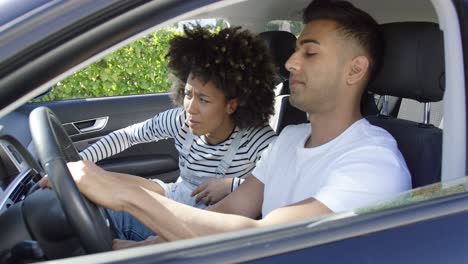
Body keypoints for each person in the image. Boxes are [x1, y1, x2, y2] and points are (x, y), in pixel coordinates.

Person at [65, 0, 412, 249]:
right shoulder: (289, 138)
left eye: (309, 52)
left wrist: (128, 196)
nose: (290, 62)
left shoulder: (372, 162)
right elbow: (229, 212)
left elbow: (260, 240)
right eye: (294, 50)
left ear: (354, 69)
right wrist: (153, 245)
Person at [67, 25, 277, 240]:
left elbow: (280, 185)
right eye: (188, 94)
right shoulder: (181, 121)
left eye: (203, 100)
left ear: (231, 105)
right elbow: (128, 136)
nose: (190, 108)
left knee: (106, 220)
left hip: (209, 222)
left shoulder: (257, 140)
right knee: (104, 183)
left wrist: (233, 184)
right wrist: (79, 163)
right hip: (177, 194)